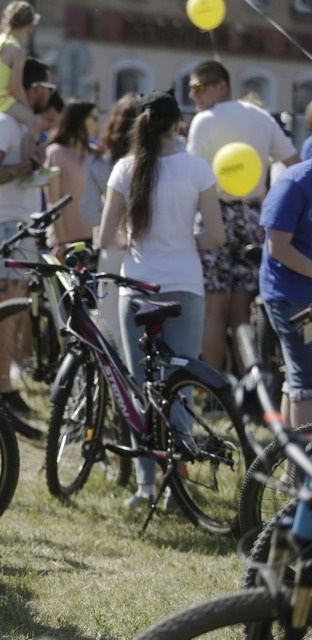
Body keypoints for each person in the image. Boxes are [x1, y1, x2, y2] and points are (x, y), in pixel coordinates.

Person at [98, 90, 225, 508]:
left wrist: (137, 240)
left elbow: (107, 237)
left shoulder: (125, 168)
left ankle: (146, 485)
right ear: (177, 125)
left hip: (138, 286)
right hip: (185, 285)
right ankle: (180, 485)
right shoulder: (198, 169)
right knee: (181, 387)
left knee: (141, 388)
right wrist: (183, 240)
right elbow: (216, 237)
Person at [185, 60, 299, 377]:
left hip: (214, 214)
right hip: (252, 216)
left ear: (222, 85)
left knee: (215, 310)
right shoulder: (261, 117)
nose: (193, 96)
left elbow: (191, 173)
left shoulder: (204, 121)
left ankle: (214, 391)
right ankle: (248, 390)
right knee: (241, 313)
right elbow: (293, 162)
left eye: (198, 87)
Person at [0, 57, 55, 412]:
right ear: (35, 89)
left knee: (8, 304)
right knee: (3, 304)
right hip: (5, 224)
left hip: (18, 223)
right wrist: (28, 166)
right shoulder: (4, 122)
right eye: (48, 89)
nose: (49, 96)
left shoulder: (20, 124)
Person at [81, 93, 139, 352]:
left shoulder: (102, 160)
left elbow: (88, 210)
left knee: (111, 317)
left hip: (112, 242)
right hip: (150, 244)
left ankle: (118, 382)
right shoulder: (155, 162)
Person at [258, 159, 312, 430]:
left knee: (298, 379)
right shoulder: (295, 182)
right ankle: (306, 471)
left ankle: (291, 470)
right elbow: (277, 247)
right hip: (291, 297)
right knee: (307, 381)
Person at [0, 0, 47, 179]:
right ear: (30, 27)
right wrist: (27, 109)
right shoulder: (17, 50)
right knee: (33, 122)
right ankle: (29, 171)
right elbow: (16, 86)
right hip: (1, 100)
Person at [44, 99, 99, 251]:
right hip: (66, 240)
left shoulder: (94, 152)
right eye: (93, 119)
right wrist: (61, 243)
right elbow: (53, 200)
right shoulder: (56, 152)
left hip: (93, 238)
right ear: (80, 120)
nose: (97, 124)